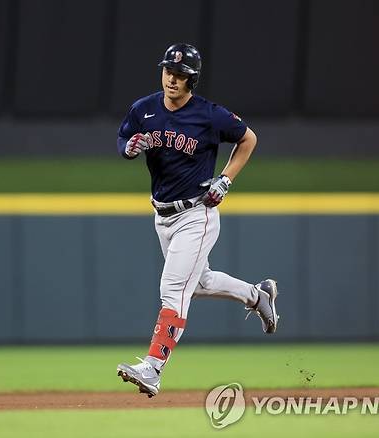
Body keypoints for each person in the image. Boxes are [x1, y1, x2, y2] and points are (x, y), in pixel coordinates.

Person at [115, 44, 279, 398]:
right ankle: (258, 295)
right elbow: (123, 137)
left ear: (192, 79)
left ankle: (153, 368)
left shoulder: (208, 114)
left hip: (197, 213)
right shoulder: (144, 109)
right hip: (162, 215)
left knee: (172, 289)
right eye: (168, 72)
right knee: (199, 282)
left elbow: (248, 138)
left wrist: (226, 179)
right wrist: (128, 148)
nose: (172, 79)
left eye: (180, 75)